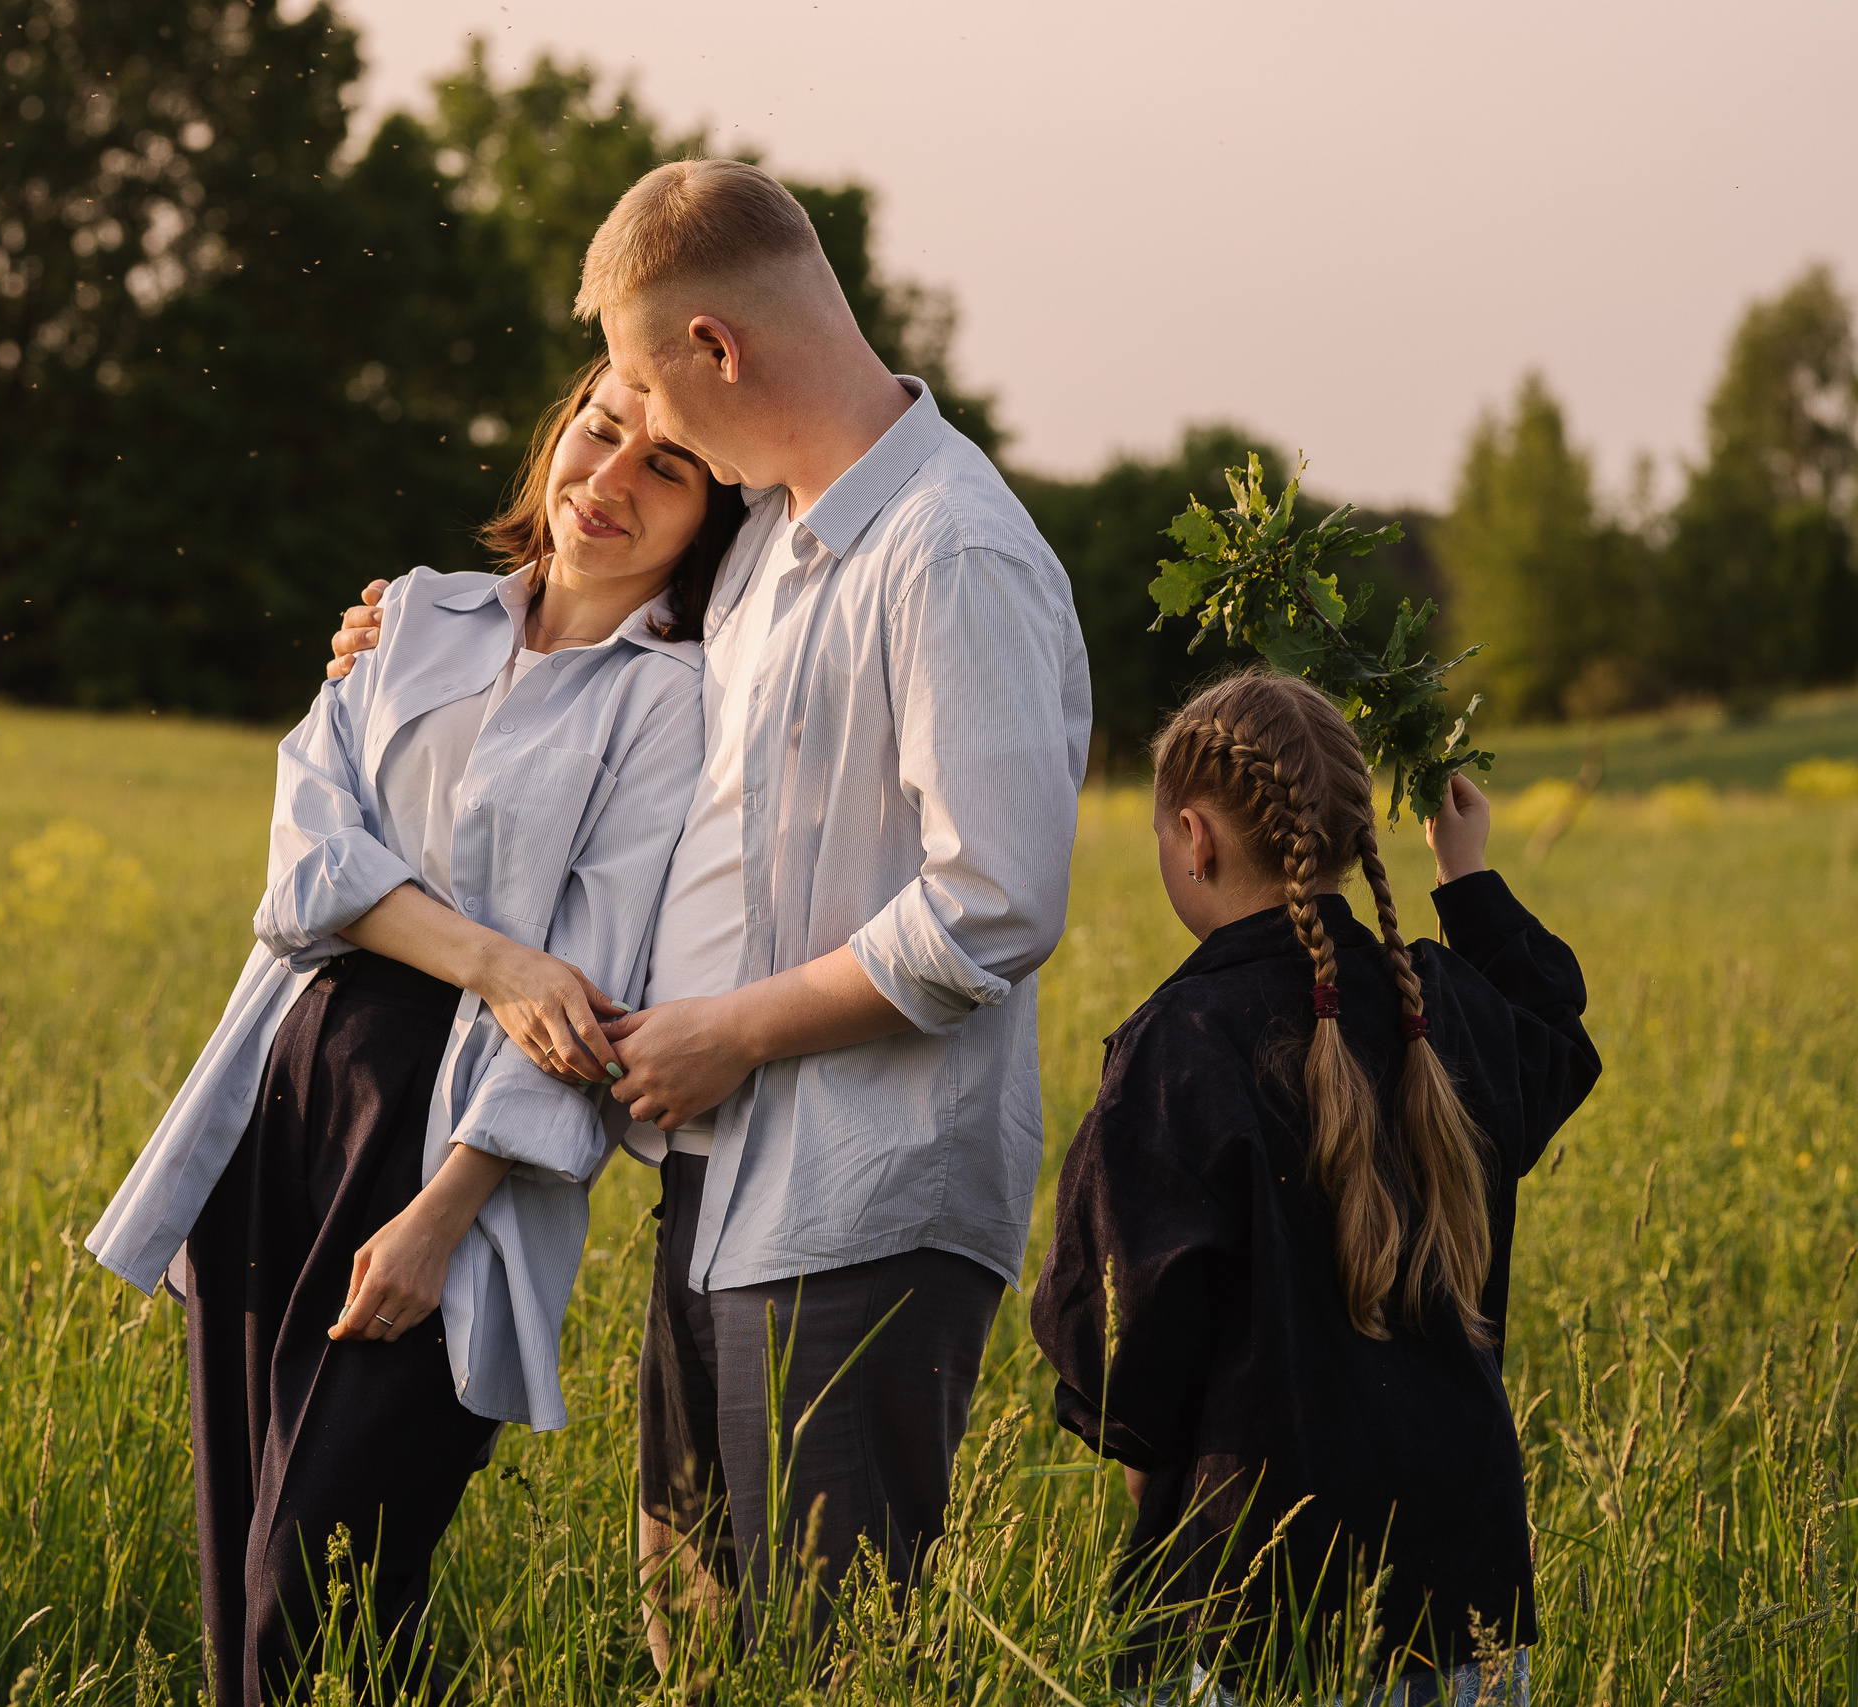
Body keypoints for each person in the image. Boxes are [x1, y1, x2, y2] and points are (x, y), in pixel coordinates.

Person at [331, 157, 1092, 1655]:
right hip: (719, 1182)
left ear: (715, 352)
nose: (637, 424)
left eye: (640, 382)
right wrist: (408, 639)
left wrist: (733, 1031)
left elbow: (997, 900)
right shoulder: (775, 550)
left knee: (825, 1648)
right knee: (691, 1636)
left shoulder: (955, 551)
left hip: (859, 1194)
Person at [89, 354, 738, 1707]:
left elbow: (595, 990)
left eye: (664, 465)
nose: (609, 478)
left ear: (711, 510)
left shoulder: (670, 701)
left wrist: (447, 1210)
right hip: (287, 1085)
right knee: (245, 1567)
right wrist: (496, 958)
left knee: (317, 1592)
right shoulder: (420, 614)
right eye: (598, 432)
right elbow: (304, 868)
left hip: (451, 1140)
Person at [1029, 670, 1601, 1703]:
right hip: (1462, 1593)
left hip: (1257, 1609)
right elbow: (1556, 1038)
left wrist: (1142, 1449)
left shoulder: (1182, 1045)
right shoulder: (1438, 1007)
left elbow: (1118, 1351)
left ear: (1194, 839)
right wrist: (1464, 876)